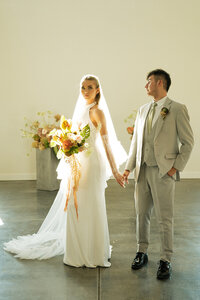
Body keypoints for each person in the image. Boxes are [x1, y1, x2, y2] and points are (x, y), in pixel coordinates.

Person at [4, 75, 127, 267]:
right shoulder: (82, 110)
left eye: (90, 87)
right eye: (83, 87)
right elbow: (73, 135)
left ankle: (93, 253)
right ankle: (77, 252)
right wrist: (65, 143)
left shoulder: (97, 112)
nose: (85, 91)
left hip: (92, 164)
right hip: (77, 163)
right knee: (74, 207)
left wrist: (115, 170)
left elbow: (106, 144)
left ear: (98, 90)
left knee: (90, 206)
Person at [123, 69, 194, 279]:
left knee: (165, 218)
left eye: (149, 82)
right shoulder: (143, 109)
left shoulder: (178, 109)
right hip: (142, 170)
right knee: (141, 214)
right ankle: (141, 252)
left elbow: (189, 143)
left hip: (164, 172)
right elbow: (136, 141)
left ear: (160, 83)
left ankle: (165, 259)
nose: (146, 86)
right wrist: (129, 168)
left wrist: (175, 168)